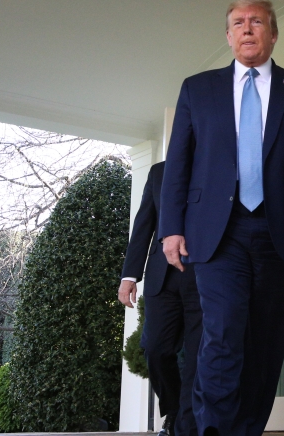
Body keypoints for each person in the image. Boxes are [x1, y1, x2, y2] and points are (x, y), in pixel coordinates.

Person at [159, 0, 284, 436]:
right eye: (238, 22)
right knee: (222, 335)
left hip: (281, 232)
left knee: (265, 343)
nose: (247, 28)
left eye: (256, 21)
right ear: (228, 36)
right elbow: (178, 163)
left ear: (272, 34)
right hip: (217, 232)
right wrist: (171, 229)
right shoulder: (197, 89)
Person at [119, 161, 202, 436]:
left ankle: (185, 424)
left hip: (204, 275)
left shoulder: (215, 166)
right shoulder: (158, 172)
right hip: (161, 276)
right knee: (155, 348)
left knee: (197, 356)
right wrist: (129, 276)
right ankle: (175, 410)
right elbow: (144, 224)